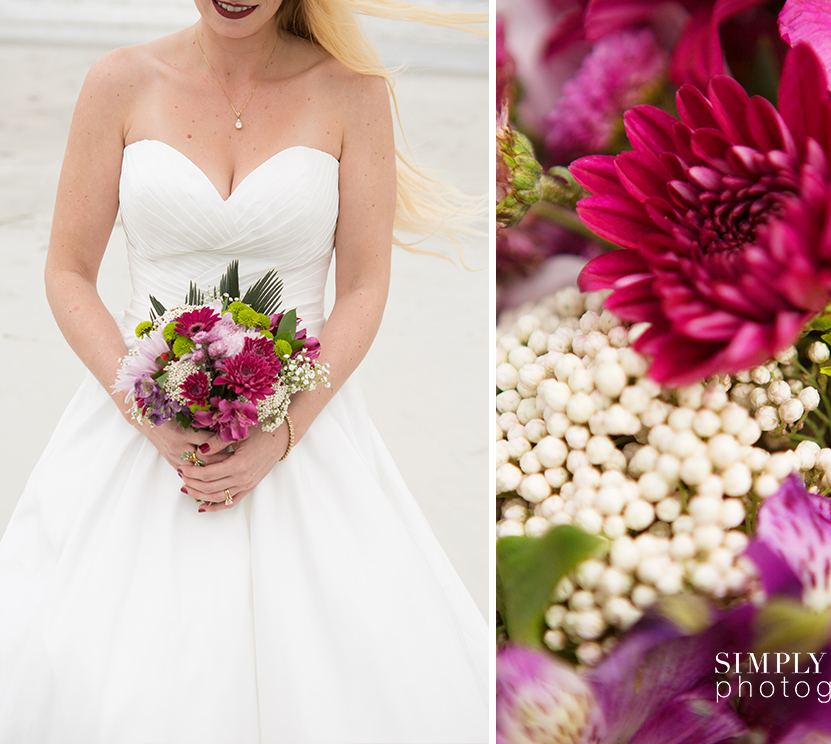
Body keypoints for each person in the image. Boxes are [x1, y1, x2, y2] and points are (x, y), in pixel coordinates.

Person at [0, 1, 489, 741]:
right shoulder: (119, 82)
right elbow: (68, 273)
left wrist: (281, 435)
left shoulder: (352, 93)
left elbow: (363, 287)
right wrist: (149, 417)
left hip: (303, 427)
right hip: (137, 427)